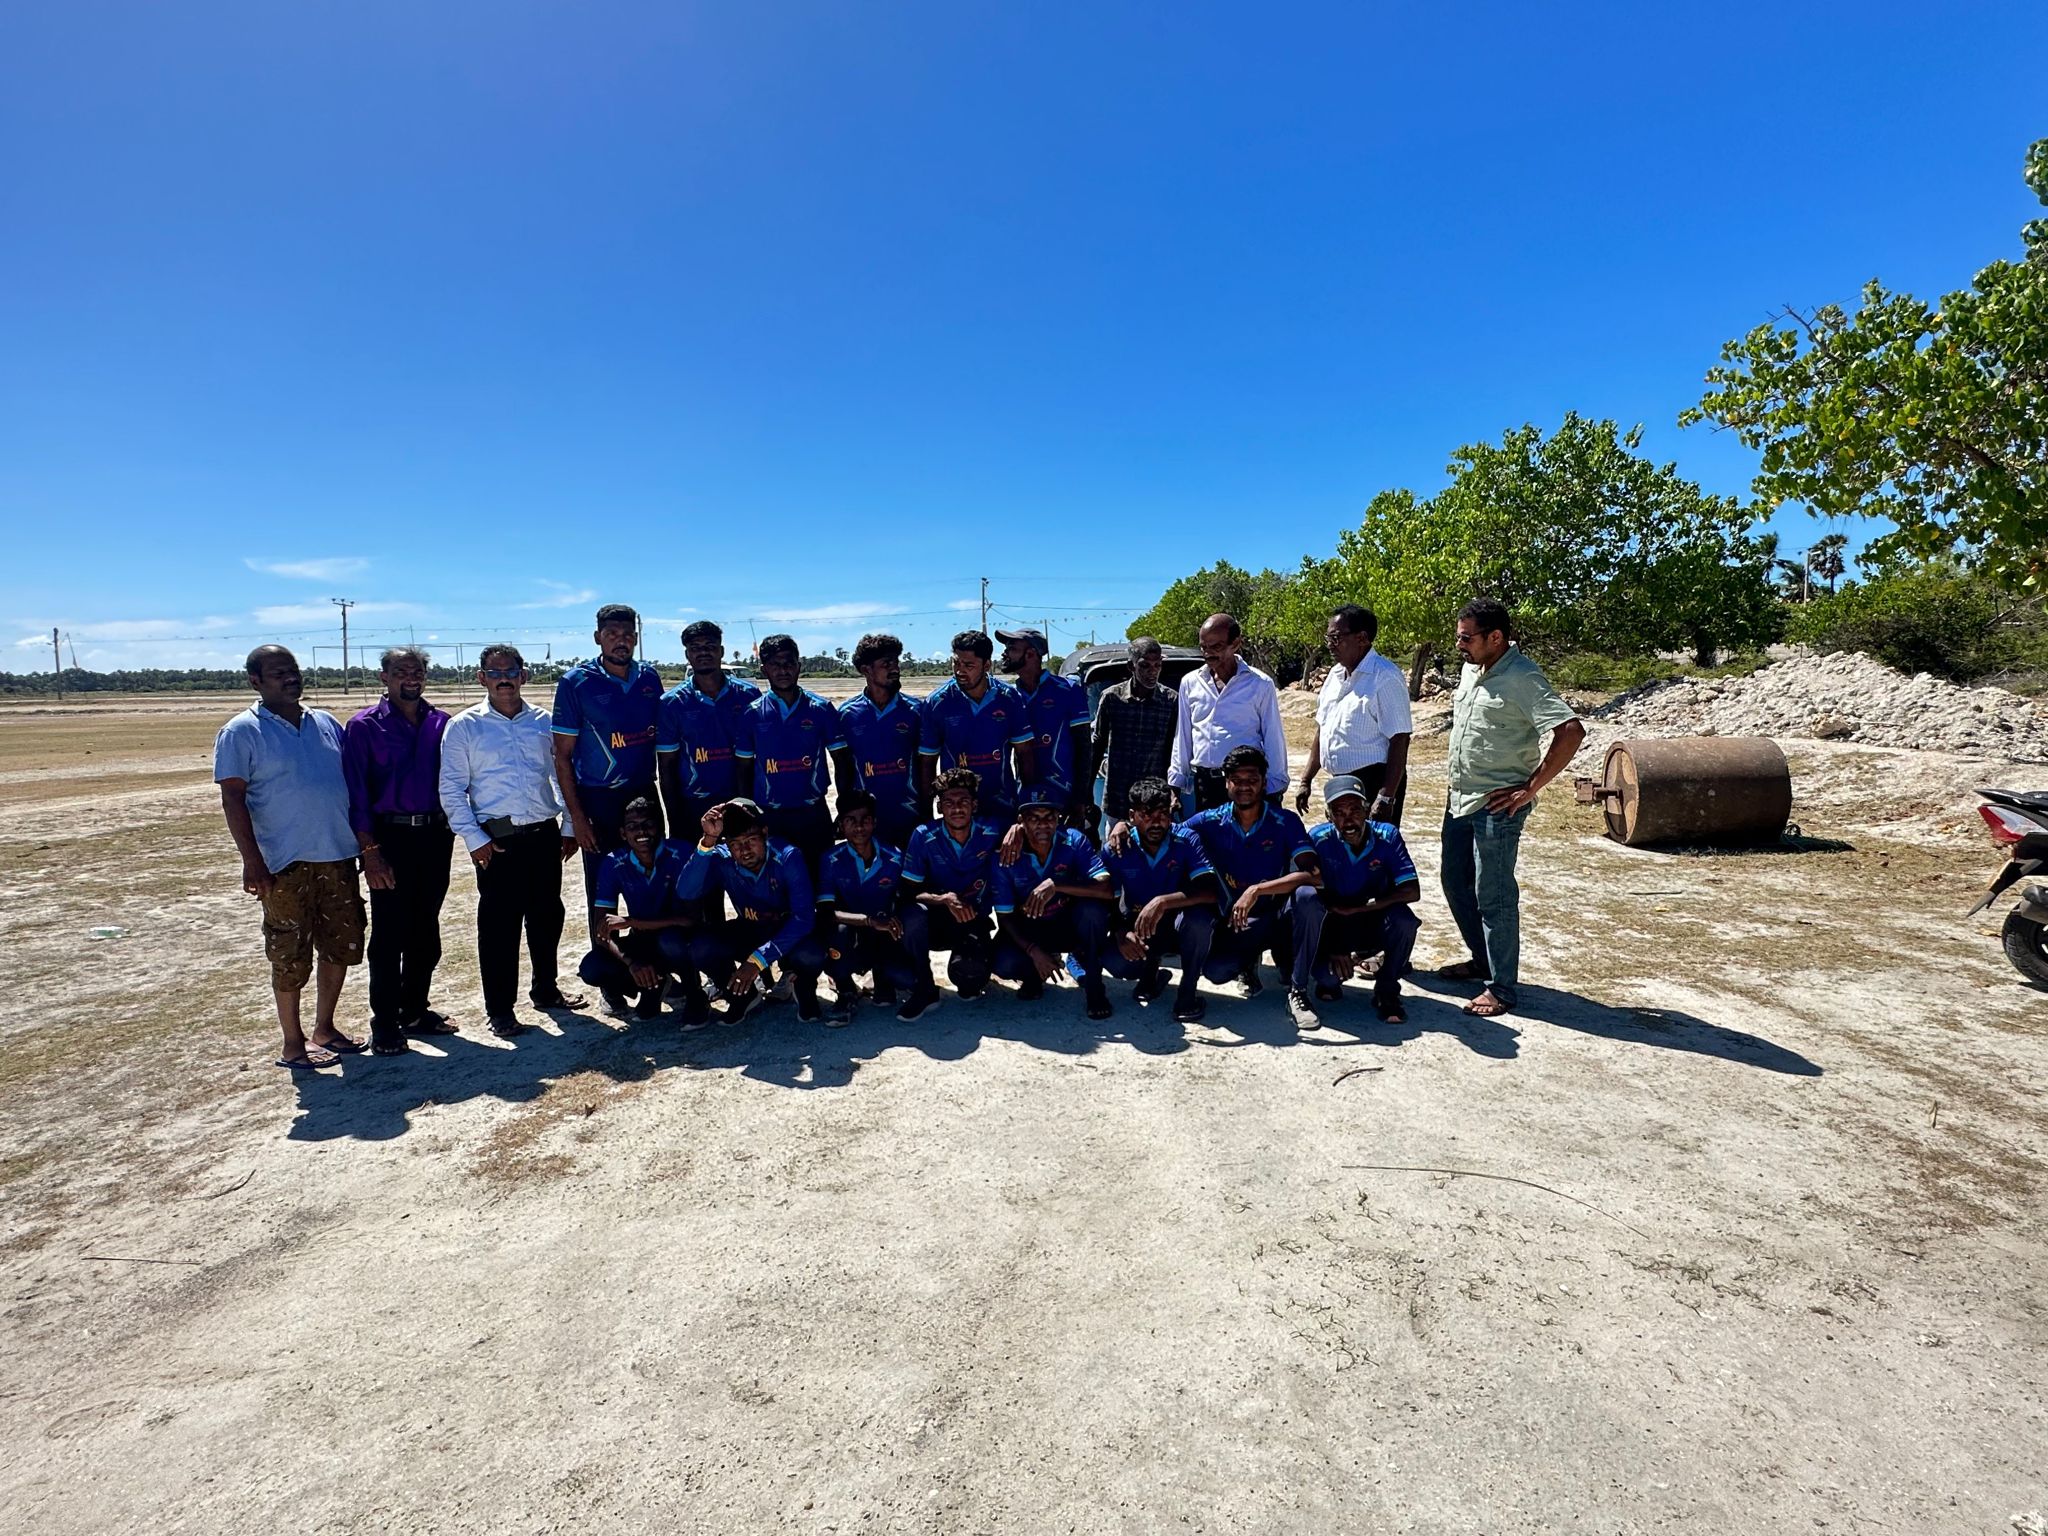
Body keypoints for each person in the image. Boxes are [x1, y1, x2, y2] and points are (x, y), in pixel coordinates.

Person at [215, 644, 368, 1070]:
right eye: (278, 672)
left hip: (337, 855)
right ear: (255, 681)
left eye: (294, 670)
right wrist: (252, 862)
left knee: (341, 943)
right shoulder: (241, 732)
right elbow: (233, 799)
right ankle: (292, 1044)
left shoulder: (326, 723)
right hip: (283, 864)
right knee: (289, 953)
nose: (290, 678)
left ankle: (325, 1028)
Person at [1438, 598, 1586, 1018]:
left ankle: (1501, 988)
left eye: (1466, 638)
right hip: (1460, 799)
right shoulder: (1471, 670)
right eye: (1458, 637)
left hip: (1497, 806)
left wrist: (1529, 788)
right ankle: (1482, 961)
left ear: (1496, 637)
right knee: (1455, 882)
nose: (1460, 646)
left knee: (1494, 894)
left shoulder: (1523, 676)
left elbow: (1570, 731)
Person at [438, 643, 586, 1038]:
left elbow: (561, 775)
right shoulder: (464, 727)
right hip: (496, 842)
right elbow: (451, 788)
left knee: (547, 917)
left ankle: (546, 989)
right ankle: (501, 1009)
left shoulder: (543, 722)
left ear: (524, 675)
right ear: (481, 678)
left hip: (543, 835)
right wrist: (473, 838)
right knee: (499, 927)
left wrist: (569, 826)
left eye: (511, 671)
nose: (504, 679)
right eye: (495, 672)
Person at [341, 645, 457, 1056]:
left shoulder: (441, 723)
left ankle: (415, 1009)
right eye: (401, 671)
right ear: (384, 678)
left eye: (417, 671)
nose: (411, 678)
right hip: (389, 839)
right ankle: (385, 1021)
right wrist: (370, 851)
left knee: (426, 927)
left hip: (435, 836)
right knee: (390, 934)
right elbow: (356, 794)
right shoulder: (363, 727)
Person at [1182, 745, 1323, 1031]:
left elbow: (1314, 875)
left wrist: (1257, 890)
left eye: (1252, 779)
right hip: (1239, 922)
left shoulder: (1285, 821)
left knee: (1307, 897)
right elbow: (1169, 834)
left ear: (1264, 782)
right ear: (1226, 783)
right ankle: (1248, 961)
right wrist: (1124, 826)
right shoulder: (1210, 820)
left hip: (1278, 916)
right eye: (1237, 780)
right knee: (1216, 971)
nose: (1245, 786)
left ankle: (1298, 991)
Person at [678, 798, 828, 1025]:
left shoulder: (788, 856)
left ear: (765, 833)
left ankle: (803, 988)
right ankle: (743, 996)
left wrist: (756, 961)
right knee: (701, 947)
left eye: (751, 840)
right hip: (750, 928)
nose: (744, 850)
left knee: (811, 954)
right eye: (735, 843)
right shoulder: (721, 857)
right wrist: (708, 841)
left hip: (788, 932)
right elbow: (686, 891)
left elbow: (803, 919)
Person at [553, 605, 664, 909]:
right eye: (611, 633)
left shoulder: (649, 678)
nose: (621, 640)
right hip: (599, 799)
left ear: (636, 638)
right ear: (597, 637)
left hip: (644, 793)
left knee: (655, 882)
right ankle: (605, 941)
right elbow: (562, 757)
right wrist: (578, 819)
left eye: (627, 634)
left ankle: (652, 940)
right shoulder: (576, 682)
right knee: (602, 888)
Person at [1086, 776, 1221, 1023]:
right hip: (1140, 926)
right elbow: (1105, 897)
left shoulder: (1186, 839)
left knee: (1200, 921)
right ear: (1132, 816)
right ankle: (1150, 972)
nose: (1157, 822)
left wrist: (1163, 902)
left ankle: (1188, 991)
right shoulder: (1118, 848)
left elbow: (1210, 892)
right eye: (1147, 814)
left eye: (1163, 814)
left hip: (1178, 925)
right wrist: (1120, 931)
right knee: (1118, 962)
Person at [1299, 774, 1422, 1023]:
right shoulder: (1318, 839)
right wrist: (1335, 946)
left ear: (1367, 810)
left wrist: (1362, 907)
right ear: (1328, 816)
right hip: (1332, 922)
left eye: (1355, 810)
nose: (1348, 820)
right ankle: (1326, 972)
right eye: (1339, 812)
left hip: (1370, 916)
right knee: (1328, 980)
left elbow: (1412, 890)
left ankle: (1387, 989)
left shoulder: (1388, 835)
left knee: (1405, 922)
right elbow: (1305, 892)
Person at [578, 795, 706, 1026]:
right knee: (592, 967)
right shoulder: (613, 863)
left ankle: (695, 995)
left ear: (660, 828)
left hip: (680, 939)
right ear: (622, 833)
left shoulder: (682, 853)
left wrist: (632, 922)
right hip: (643, 941)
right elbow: (601, 930)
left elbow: (691, 920)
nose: (641, 832)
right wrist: (631, 963)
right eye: (632, 827)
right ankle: (654, 986)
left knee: (670, 941)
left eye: (648, 824)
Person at [990, 785, 1114, 1019]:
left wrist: (1056, 884)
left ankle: (1094, 983)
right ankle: (1033, 974)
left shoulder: (1074, 840)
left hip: (1066, 923)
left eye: (1049, 817)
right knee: (1003, 963)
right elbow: (1004, 916)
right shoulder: (1006, 855)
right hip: (1029, 925)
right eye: (1034, 818)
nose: (1043, 824)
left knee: (1093, 912)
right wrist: (1033, 950)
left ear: (1058, 818)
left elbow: (1106, 888)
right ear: (1021, 821)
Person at [731, 633, 849, 875]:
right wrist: (748, 814)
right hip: (770, 815)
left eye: (789, 663)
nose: (783, 670)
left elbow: (842, 761)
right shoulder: (752, 713)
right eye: (775, 664)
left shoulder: (821, 708)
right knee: (778, 882)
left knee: (819, 879)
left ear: (799, 666)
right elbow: (743, 768)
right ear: (764, 669)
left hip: (813, 813)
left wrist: (844, 808)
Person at [896, 766, 1003, 1020]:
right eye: (948, 803)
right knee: (912, 916)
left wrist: (1017, 832)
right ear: (939, 807)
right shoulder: (924, 835)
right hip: (935, 919)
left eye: (963, 801)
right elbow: (908, 891)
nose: (956, 809)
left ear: (974, 805)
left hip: (972, 918)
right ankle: (925, 987)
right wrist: (943, 899)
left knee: (970, 980)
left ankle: (971, 962)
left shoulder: (993, 831)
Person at [1297, 605, 1413, 827]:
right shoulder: (1334, 675)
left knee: (1372, 847)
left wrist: (1386, 797)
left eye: (1336, 638)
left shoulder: (1385, 676)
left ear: (1362, 638)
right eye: (1328, 638)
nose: (1330, 645)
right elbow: (1323, 730)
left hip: (1373, 783)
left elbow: (1400, 739)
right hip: (1340, 783)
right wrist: (1306, 780)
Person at [814, 791, 922, 1024]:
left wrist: (888, 921)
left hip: (884, 934)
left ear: (874, 822)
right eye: (850, 820)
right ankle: (845, 990)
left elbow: (904, 899)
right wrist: (868, 921)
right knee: (837, 933)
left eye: (865, 819)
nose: (859, 827)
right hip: (850, 933)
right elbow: (825, 912)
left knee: (904, 979)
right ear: (841, 825)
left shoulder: (894, 857)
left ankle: (881, 976)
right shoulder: (830, 859)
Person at [656, 619, 761, 851]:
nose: (703, 652)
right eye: (695, 648)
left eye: (710, 646)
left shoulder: (748, 695)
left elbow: (760, 753)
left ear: (721, 651)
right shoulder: (671, 703)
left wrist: (752, 804)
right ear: (687, 655)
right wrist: (675, 818)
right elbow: (667, 767)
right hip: (694, 805)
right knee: (702, 871)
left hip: (740, 802)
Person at [1168, 613, 1289, 812]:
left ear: (1236, 644)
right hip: (1205, 786)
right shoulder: (1190, 682)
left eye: (1216, 647)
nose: (1208, 653)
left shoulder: (1260, 684)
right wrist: (1175, 783)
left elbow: (1273, 737)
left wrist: (1274, 789)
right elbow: (1183, 736)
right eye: (1203, 647)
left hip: (1246, 785)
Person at [919, 630, 1036, 826]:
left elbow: (1024, 753)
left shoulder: (1008, 698)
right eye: (956, 663)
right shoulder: (937, 702)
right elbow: (927, 762)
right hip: (958, 814)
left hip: (1002, 808)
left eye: (968, 665)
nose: (959, 671)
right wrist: (927, 814)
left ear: (987, 665)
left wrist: (1027, 805)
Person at [997, 627, 1094, 830]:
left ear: (1031, 654)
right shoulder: (1008, 697)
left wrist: (1079, 801)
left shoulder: (1068, 690)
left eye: (1012, 648)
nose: (1004, 654)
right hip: (1026, 800)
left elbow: (1084, 749)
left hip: (1065, 799)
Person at [836, 632, 925, 849]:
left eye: (896, 662)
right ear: (866, 670)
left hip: (909, 816)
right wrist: (846, 812)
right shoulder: (847, 714)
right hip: (866, 823)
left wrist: (925, 812)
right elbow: (843, 768)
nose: (895, 669)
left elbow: (926, 765)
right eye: (886, 663)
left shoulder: (916, 711)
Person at [1087, 637, 1179, 830]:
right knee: (1115, 846)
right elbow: (1098, 744)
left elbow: (1174, 750)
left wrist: (1173, 791)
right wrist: (1086, 790)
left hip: (1155, 801)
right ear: (1131, 666)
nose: (1152, 672)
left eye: (1157, 665)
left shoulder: (1171, 701)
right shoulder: (1112, 698)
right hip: (1118, 799)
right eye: (1145, 666)